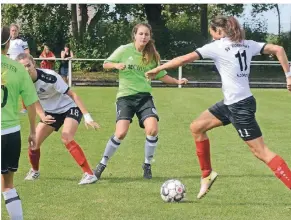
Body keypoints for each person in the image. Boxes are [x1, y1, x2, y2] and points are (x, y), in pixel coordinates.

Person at [145, 15, 291, 198]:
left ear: (220, 31)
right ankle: (207, 175)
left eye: (212, 33)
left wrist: (158, 69)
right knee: (197, 127)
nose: (212, 37)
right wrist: (288, 76)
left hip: (240, 107)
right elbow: (278, 48)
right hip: (232, 103)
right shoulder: (247, 43)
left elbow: (183, 60)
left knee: (261, 152)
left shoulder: (217, 46)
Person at [93, 23, 188, 180]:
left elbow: (160, 75)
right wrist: (116, 65)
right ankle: (102, 163)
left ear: (150, 37)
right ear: (135, 35)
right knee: (121, 133)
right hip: (125, 97)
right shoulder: (124, 50)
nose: (144, 37)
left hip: (144, 97)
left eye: (147, 34)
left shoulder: (152, 56)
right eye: (141, 34)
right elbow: (105, 64)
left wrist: (177, 81)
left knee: (152, 130)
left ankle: (147, 165)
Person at [16, 53, 100, 185]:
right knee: (33, 143)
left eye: (28, 65)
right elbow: (32, 101)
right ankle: (34, 171)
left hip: (69, 108)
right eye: (23, 67)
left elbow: (73, 95)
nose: (26, 69)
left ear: (34, 64)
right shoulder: (21, 82)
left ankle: (89, 174)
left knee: (66, 137)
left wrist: (87, 116)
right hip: (51, 112)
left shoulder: (50, 76)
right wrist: (42, 116)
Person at [1, 26, 38, 220]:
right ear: (8, 43)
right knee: (7, 185)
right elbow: (31, 103)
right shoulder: (17, 68)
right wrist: (33, 131)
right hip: (11, 133)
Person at [7, 23, 30, 114]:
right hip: (10, 68)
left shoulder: (22, 41)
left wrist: (25, 63)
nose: (14, 32)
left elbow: (27, 52)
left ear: (18, 31)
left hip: (20, 68)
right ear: (10, 31)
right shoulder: (7, 42)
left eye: (15, 30)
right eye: (12, 30)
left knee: (22, 88)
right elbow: (7, 54)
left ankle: (25, 108)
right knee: (10, 88)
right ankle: (11, 106)